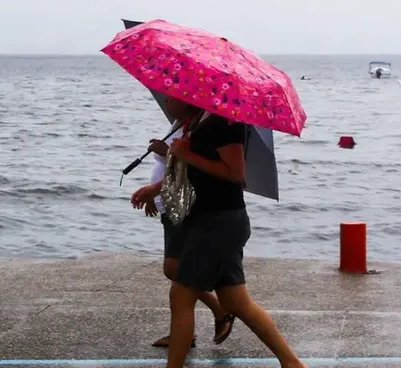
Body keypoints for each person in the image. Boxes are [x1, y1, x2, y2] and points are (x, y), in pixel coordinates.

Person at [131, 97, 308, 368]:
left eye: (171, 98)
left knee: (180, 297)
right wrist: (158, 185)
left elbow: (236, 173)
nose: (167, 103)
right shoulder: (197, 122)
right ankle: (292, 363)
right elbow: (189, 172)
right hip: (212, 222)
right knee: (236, 301)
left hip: (219, 224)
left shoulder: (225, 124)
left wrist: (186, 153)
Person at [141, 109, 236, 349]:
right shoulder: (182, 123)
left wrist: (167, 152)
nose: (167, 99)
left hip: (182, 206)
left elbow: (192, 169)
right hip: (169, 203)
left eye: (171, 95)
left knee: (176, 270)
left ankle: (216, 312)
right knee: (178, 274)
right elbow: (171, 167)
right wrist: (154, 192)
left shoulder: (200, 127)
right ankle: (185, 332)